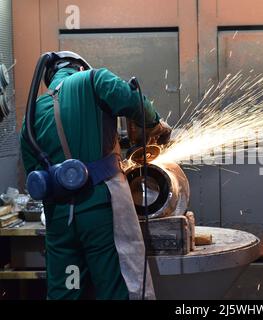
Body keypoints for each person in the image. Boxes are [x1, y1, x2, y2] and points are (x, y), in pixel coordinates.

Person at [20, 51, 171, 299]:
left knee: (67, 288)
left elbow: (31, 171)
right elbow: (132, 100)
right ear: (79, 67)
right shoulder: (93, 80)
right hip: (99, 208)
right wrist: (154, 123)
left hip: (59, 220)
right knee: (114, 284)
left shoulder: (32, 114)